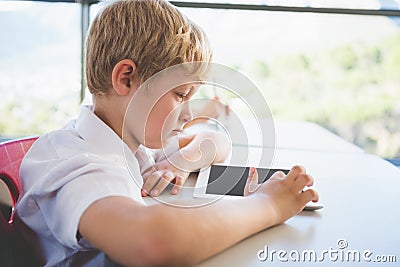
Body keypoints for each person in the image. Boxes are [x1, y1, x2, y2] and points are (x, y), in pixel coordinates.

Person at [14, 0, 319, 266]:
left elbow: (216, 140)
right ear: (126, 78)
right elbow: (156, 241)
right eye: (181, 95)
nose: (188, 114)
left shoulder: (129, 141)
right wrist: (266, 206)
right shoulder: (77, 167)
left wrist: (180, 161)